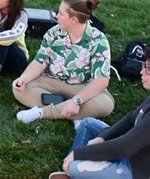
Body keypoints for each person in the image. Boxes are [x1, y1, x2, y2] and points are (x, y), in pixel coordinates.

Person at [49, 46, 150, 179]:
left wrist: (79, 154)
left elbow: (125, 146)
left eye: (148, 69)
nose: (141, 71)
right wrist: (103, 137)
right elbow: (131, 119)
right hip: (133, 153)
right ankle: (70, 172)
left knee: (75, 166)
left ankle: (72, 169)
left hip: (137, 171)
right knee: (88, 124)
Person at [12, 0, 114, 124]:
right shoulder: (53, 33)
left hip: (83, 87)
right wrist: (24, 79)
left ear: (73, 20)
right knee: (19, 88)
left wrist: (77, 100)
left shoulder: (98, 40)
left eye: (61, 13)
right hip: (53, 82)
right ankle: (75, 113)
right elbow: (40, 62)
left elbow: (101, 81)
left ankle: (41, 113)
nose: (56, 16)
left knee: (105, 104)